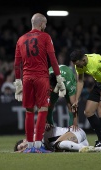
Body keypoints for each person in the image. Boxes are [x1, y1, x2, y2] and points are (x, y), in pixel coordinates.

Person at [13, 13, 66, 153]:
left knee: (29, 111)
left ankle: (29, 147)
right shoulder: (45, 37)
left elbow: (16, 64)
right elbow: (53, 60)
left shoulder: (21, 39)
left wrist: (18, 82)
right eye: (45, 24)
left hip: (27, 78)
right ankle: (38, 146)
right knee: (43, 109)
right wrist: (59, 78)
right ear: (42, 24)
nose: (45, 26)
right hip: (41, 77)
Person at [70, 49, 101, 152]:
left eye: (78, 64)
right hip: (98, 85)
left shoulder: (97, 60)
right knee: (88, 112)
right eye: (75, 65)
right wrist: (76, 99)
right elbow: (80, 81)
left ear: (83, 60)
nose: (77, 66)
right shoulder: (78, 64)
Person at [14, 125, 90, 153]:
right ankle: (87, 146)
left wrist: (22, 151)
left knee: (58, 145)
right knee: (59, 149)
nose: (24, 148)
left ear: (24, 140)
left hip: (75, 132)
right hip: (79, 139)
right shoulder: (38, 147)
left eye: (21, 146)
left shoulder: (35, 135)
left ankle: (83, 148)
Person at [48, 65, 78, 130]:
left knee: (70, 105)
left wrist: (75, 122)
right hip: (53, 80)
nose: (51, 90)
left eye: (52, 88)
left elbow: (74, 105)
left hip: (67, 76)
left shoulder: (68, 83)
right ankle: (50, 126)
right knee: (49, 105)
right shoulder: (45, 80)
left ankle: (71, 127)